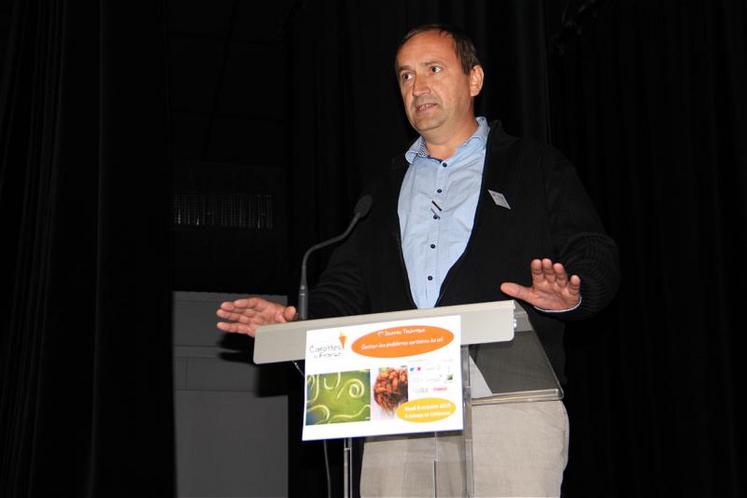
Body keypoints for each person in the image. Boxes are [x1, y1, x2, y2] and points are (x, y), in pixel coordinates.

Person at [217, 23, 619, 497]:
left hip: (506, 398)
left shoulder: (534, 165)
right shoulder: (384, 190)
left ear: (474, 80)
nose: (418, 86)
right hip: (396, 396)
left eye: (433, 69)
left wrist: (573, 291)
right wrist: (295, 321)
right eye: (405, 76)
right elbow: (345, 287)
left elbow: (594, 251)